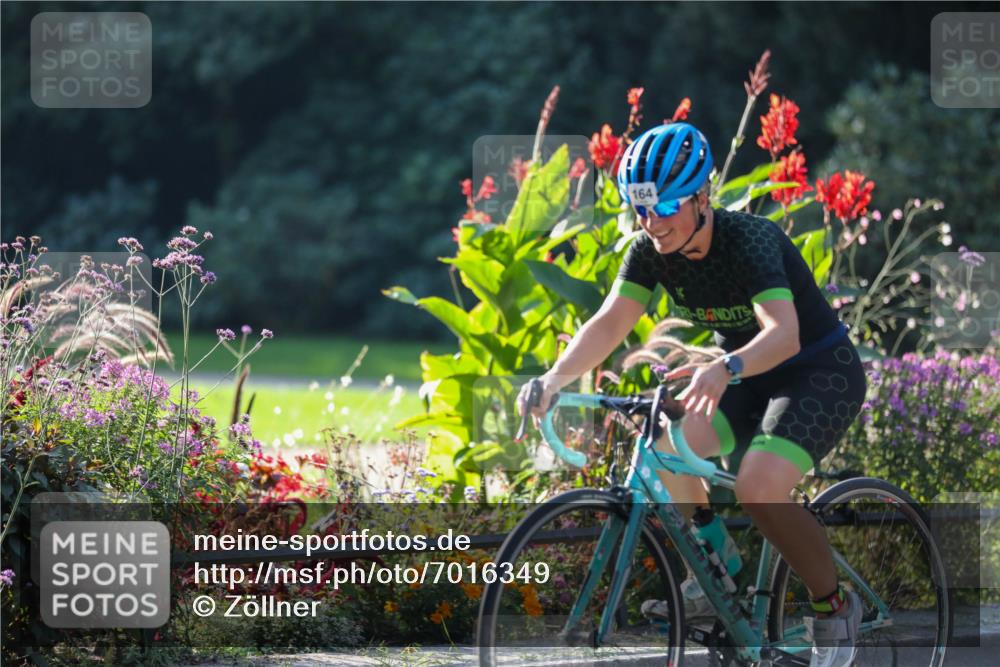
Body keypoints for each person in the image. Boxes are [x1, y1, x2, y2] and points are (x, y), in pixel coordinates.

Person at [516, 122, 867, 667]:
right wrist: (554, 380)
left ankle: (835, 607)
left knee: (758, 487)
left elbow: (784, 333)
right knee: (664, 451)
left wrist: (725, 365)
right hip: (743, 375)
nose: (651, 224)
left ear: (703, 197)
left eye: (664, 208)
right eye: (641, 210)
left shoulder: (750, 240)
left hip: (817, 372)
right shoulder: (650, 249)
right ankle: (715, 574)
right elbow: (611, 323)